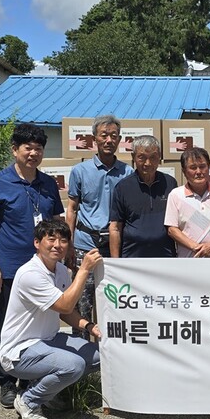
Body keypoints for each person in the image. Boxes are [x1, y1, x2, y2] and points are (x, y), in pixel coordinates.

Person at [0, 123, 64, 408]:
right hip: (11, 271)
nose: (33, 153)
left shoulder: (48, 183)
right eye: (27, 148)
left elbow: (56, 223)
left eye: (38, 148)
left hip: (43, 270)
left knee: (41, 328)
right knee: (7, 327)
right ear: (15, 150)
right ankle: (6, 381)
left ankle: (32, 378)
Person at [0, 219, 102, 419]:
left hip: (49, 340)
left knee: (100, 356)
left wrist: (89, 326)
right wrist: (84, 271)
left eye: (63, 240)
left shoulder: (60, 271)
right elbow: (64, 305)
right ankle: (28, 400)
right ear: (37, 242)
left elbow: (66, 313)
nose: (57, 245)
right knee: (74, 365)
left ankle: (48, 392)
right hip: (20, 351)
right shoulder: (30, 274)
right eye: (51, 239)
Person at [65, 114, 132, 326]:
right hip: (85, 246)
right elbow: (73, 209)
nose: (109, 140)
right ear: (95, 138)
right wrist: (69, 245)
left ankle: (112, 353)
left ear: (120, 140)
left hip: (114, 248)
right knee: (82, 304)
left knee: (115, 302)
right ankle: (83, 352)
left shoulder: (127, 172)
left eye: (114, 136)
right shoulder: (80, 171)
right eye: (104, 135)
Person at [109, 135, 177, 258]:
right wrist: (116, 263)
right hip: (132, 258)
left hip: (165, 258)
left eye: (153, 157)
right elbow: (115, 228)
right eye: (142, 157)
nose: (148, 163)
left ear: (159, 157)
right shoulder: (122, 187)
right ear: (133, 157)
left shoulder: (170, 183)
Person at [164, 147, 210, 257]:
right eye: (193, 167)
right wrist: (195, 247)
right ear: (184, 171)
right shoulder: (175, 195)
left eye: (202, 166)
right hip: (188, 260)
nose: (198, 172)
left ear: (209, 167)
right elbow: (172, 229)